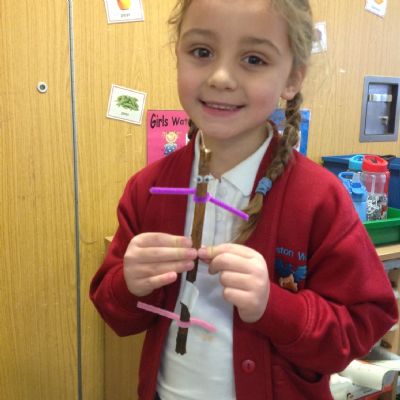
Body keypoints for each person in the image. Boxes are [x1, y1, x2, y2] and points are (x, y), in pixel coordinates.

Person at [90, 0, 398, 399]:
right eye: (202, 51)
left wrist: (274, 305)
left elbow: (363, 326)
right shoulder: (147, 189)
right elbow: (115, 313)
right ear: (178, 54)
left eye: (253, 59)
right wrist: (129, 284)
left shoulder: (319, 199)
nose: (221, 77)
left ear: (292, 78)